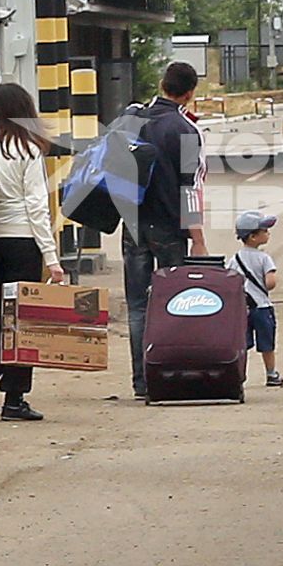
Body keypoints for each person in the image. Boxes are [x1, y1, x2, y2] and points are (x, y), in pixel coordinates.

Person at [0, 82, 67, 423]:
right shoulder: (27, 150)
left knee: (5, 313)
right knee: (21, 319)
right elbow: (37, 207)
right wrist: (52, 258)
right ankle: (9, 395)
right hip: (22, 241)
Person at [123, 61, 208, 400]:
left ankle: (141, 382)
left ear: (161, 84)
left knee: (137, 306)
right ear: (189, 94)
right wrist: (198, 239)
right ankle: (166, 374)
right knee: (173, 302)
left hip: (132, 225)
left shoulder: (134, 120)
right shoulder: (184, 130)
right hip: (168, 229)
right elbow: (189, 187)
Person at [233, 210, 283, 388]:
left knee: (242, 344)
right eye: (265, 230)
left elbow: (231, 281)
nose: (268, 233)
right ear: (253, 236)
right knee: (267, 344)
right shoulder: (264, 258)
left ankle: (239, 376)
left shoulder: (235, 259)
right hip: (262, 307)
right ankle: (271, 373)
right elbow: (270, 283)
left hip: (242, 309)